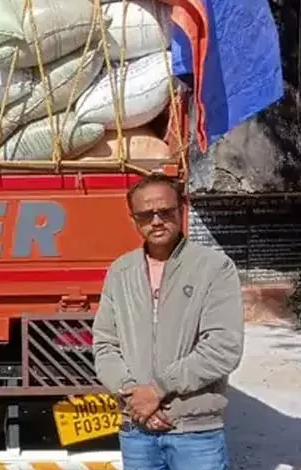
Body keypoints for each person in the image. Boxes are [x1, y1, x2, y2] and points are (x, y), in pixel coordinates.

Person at [92, 174, 244, 470]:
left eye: (165, 211)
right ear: (134, 220)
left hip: (195, 433)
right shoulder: (121, 272)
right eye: (146, 215)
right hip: (137, 431)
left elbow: (223, 348)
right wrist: (136, 398)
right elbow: (105, 345)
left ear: (182, 208)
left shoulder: (214, 268)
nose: (157, 221)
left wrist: (158, 390)